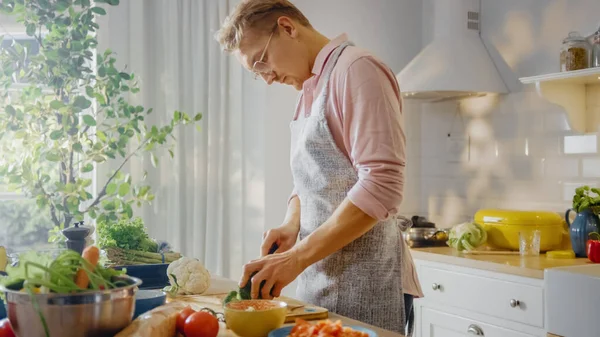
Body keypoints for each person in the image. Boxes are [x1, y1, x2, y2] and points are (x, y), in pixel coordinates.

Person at [216, 0, 421, 332]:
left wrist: (295, 258)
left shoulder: (358, 70)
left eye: (261, 62)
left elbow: (382, 183)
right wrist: (290, 225)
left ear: (287, 28)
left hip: (368, 287)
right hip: (320, 284)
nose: (266, 78)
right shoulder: (310, 88)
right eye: (257, 73)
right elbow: (313, 178)